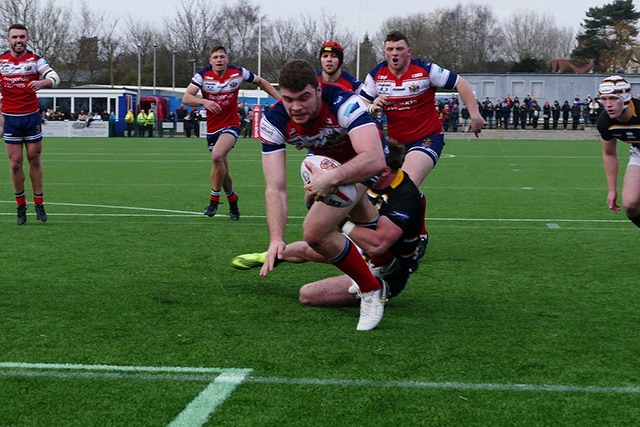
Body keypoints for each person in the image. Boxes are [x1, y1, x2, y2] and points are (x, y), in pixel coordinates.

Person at [259, 59, 388, 331]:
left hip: (364, 159)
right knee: (352, 213)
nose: (296, 107)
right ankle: (384, 256)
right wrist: (275, 239)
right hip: (326, 161)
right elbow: (275, 186)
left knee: (315, 231)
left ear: (318, 90)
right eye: (288, 99)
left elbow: (375, 158)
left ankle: (371, 288)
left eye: (304, 98)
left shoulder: (344, 103)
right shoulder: (273, 120)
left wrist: (330, 179)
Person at [231, 141, 421, 307]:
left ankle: (378, 290)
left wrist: (340, 225)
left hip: (388, 265)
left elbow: (378, 244)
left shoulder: (405, 195)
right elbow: (314, 210)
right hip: (362, 246)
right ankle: (270, 256)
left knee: (308, 295)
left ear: (385, 170)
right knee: (307, 247)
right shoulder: (366, 181)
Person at [360, 30, 485, 257]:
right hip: (394, 145)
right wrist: (371, 106)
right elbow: (361, 103)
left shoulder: (425, 70)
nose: (394, 53)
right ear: (384, 52)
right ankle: (376, 236)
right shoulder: (377, 75)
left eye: (399, 49)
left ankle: (418, 236)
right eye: (390, 49)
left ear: (409, 51)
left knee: (405, 183)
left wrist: (474, 114)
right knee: (378, 187)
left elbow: (461, 83)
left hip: (427, 138)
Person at [182, 45, 279, 220]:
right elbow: (187, 97)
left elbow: (261, 82)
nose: (219, 60)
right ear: (210, 61)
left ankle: (214, 200)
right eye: (216, 57)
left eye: (222, 56)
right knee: (223, 169)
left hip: (231, 125)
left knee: (217, 157)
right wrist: (204, 101)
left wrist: (280, 100)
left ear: (227, 59)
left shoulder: (238, 73)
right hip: (212, 128)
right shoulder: (202, 76)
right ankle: (233, 200)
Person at [1, 23, 60, 225]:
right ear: (8, 39)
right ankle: (20, 205)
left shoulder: (35, 60)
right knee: (16, 163)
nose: (19, 40)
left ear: (27, 39)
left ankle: (39, 202)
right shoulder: (1, 62)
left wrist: (43, 82)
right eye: (15, 37)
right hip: (10, 119)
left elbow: (54, 77)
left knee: (34, 159)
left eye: (22, 37)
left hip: (31, 117)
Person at [596, 75, 640, 229]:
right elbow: (609, 153)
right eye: (604, 99)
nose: (608, 105)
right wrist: (612, 190)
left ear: (626, 97)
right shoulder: (604, 122)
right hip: (638, 152)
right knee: (630, 204)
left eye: (613, 99)